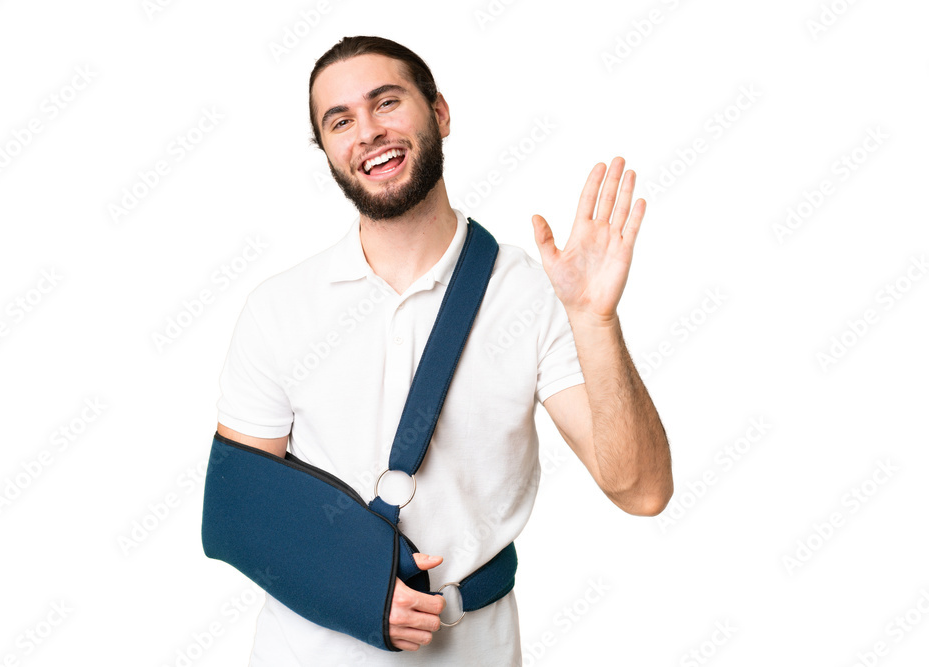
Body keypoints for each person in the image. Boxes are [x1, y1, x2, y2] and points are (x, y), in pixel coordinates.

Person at [213, 35, 673, 666]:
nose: (368, 132)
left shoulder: (532, 294)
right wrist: (355, 594)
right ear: (327, 152)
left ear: (440, 113)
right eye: (340, 121)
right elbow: (240, 512)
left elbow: (641, 491)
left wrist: (595, 320)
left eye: (386, 102)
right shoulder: (279, 307)